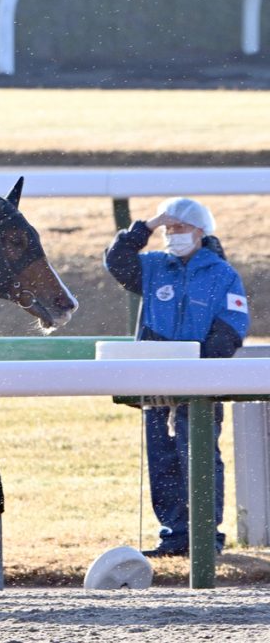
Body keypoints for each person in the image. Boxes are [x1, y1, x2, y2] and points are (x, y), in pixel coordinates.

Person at [104, 197, 249, 557]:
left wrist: (197, 370)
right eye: (169, 229)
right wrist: (146, 227)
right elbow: (115, 261)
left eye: (180, 228)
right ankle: (173, 536)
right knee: (162, 459)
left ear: (201, 231)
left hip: (199, 384)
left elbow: (232, 326)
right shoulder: (153, 266)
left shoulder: (223, 274)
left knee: (199, 456)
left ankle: (206, 536)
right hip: (156, 384)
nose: (173, 235)